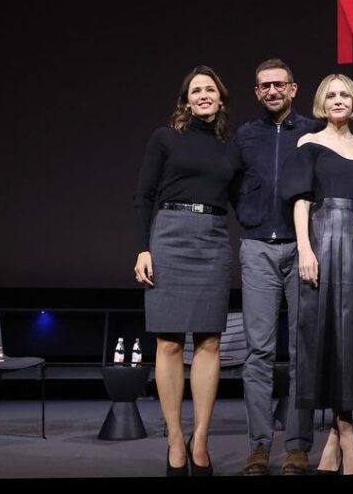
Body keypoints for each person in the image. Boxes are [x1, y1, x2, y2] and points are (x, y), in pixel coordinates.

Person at [132, 65, 241, 477]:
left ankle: (201, 441)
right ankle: (175, 439)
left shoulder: (231, 148)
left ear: (220, 97)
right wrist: (143, 248)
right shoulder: (165, 138)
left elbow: (240, 201)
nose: (203, 95)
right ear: (186, 99)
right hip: (170, 236)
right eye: (196, 90)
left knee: (210, 343)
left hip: (213, 238)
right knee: (169, 344)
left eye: (210, 89)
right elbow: (143, 196)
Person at [280, 74, 353, 475]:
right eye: (331, 95)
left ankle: (336, 437)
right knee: (322, 338)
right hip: (322, 241)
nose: (338, 100)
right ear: (321, 102)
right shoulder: (308, 144)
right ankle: (346, 435)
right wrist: (305, 248)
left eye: (345, 95)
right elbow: (301, 201)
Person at [233, 59, 321, 476]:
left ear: (293, 88)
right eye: (264, 85)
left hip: (302, 251)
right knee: (258, 353)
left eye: (278, 85)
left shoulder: (312, 131)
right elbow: (232, 184)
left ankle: (299, 447)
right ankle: (258, 447)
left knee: (303, 350)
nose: (271, 91)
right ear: (256, 92)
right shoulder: (245, 136)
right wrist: (250, 217)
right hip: (257, 250)